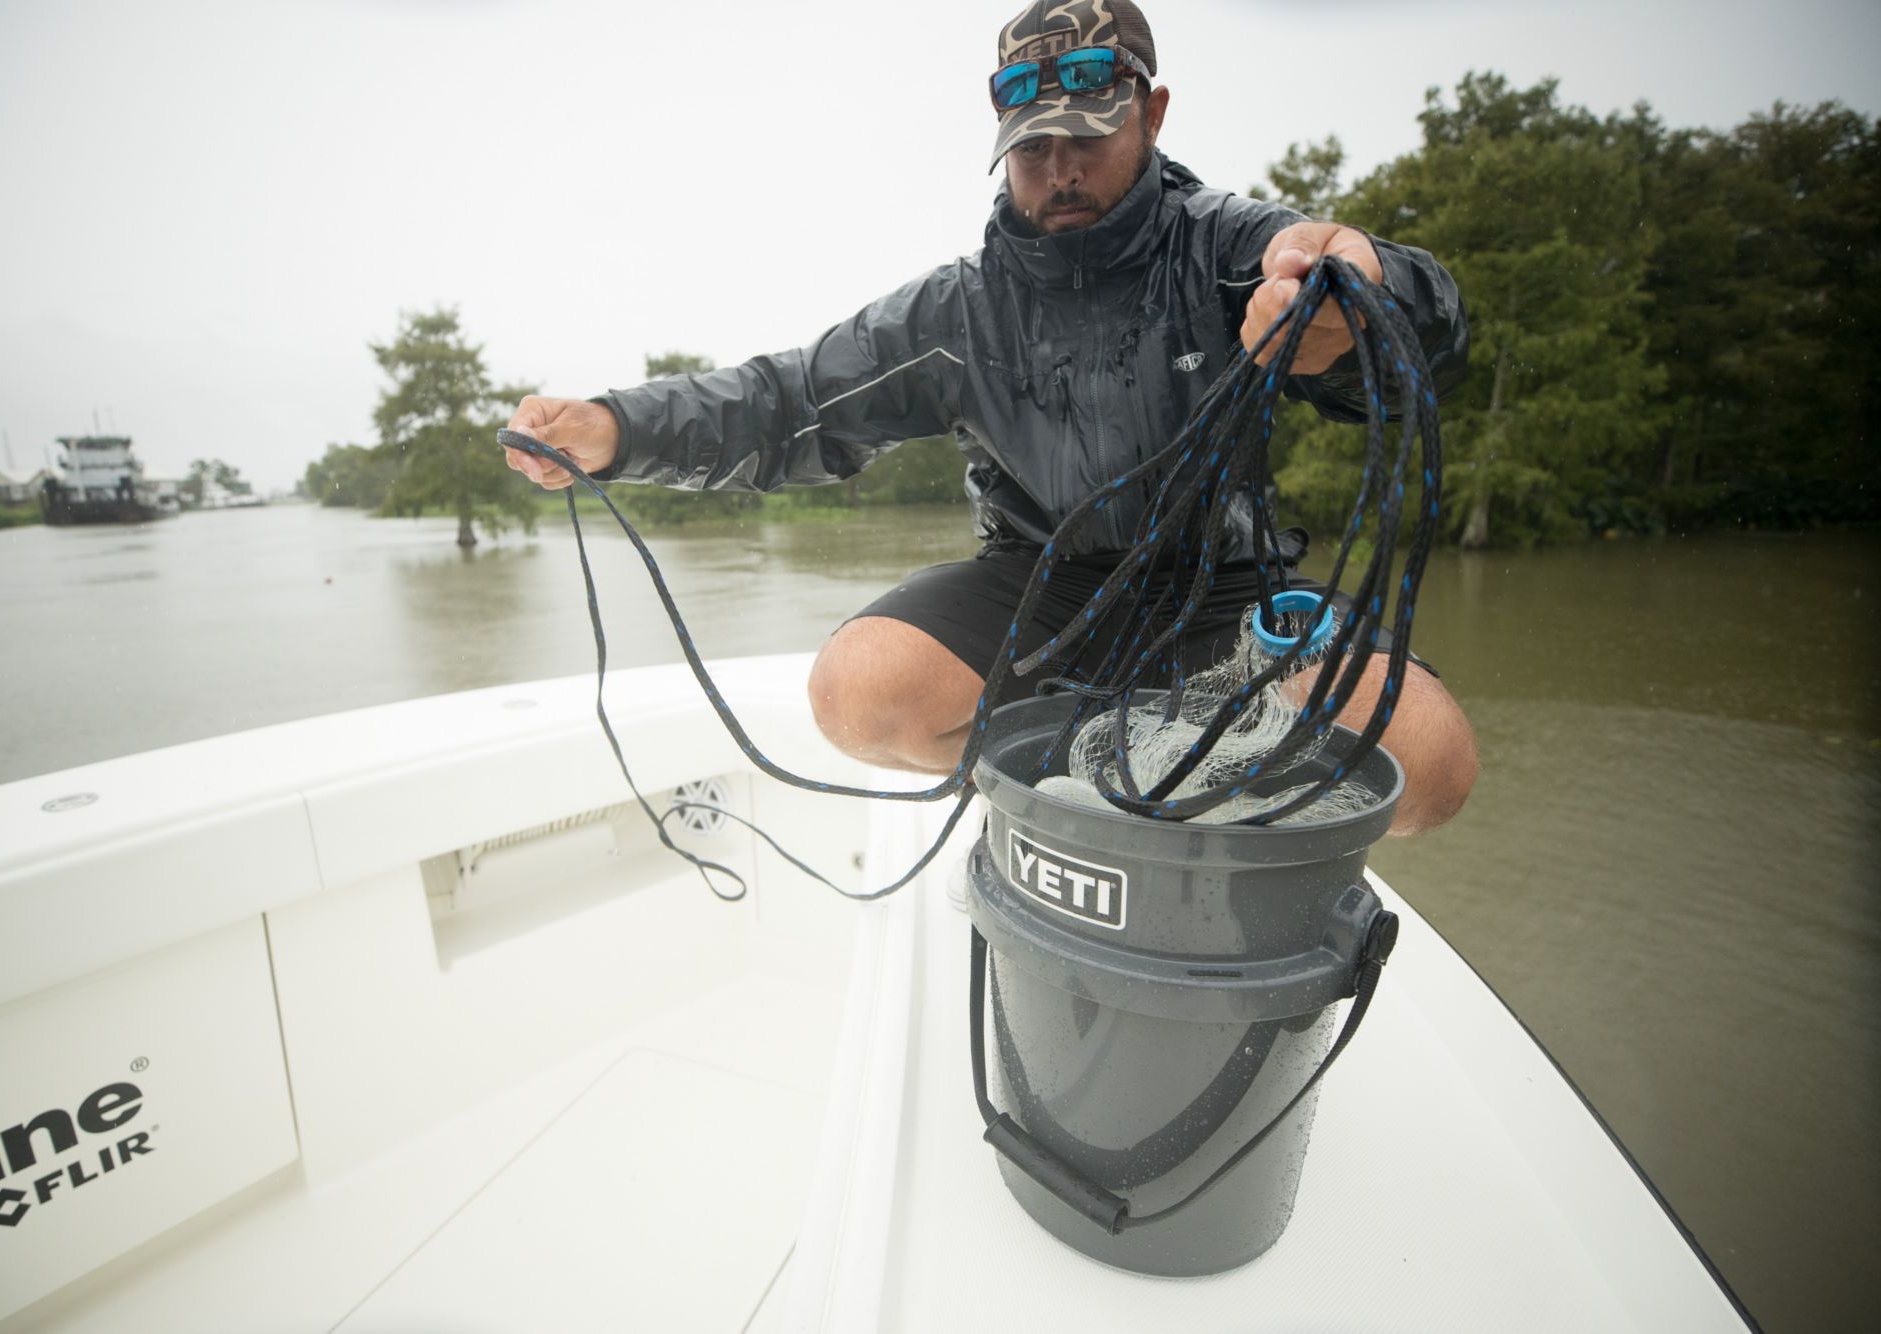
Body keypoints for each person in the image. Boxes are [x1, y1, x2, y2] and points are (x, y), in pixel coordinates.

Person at [505, 0, 1478, 833]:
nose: (1059, 168)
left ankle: (1207, 796)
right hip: (1037, 581)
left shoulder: (1234, 251)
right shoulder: (954, 312)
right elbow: (788, 402)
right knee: (858, 691)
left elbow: (1429, 333)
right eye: (1032, 145)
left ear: (1151, 111)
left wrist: (1363, 309)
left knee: (1429, 763)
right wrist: (617, 428)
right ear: (1001, 139)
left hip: (1223, 580)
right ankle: (1081, 791)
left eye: (1088, 135)